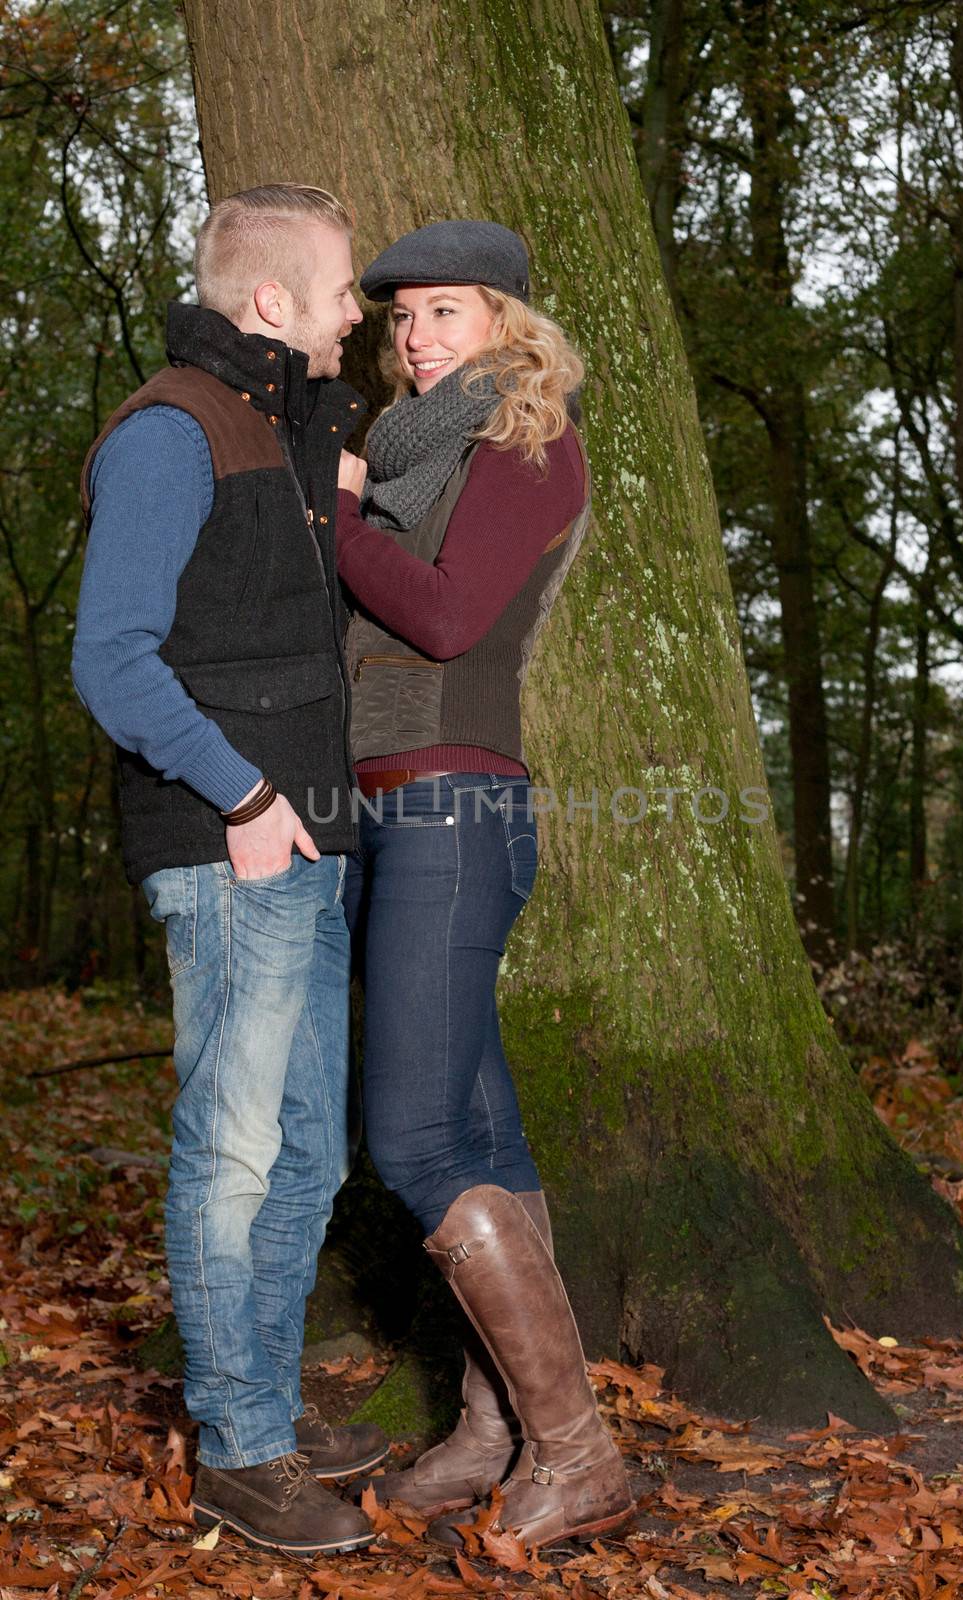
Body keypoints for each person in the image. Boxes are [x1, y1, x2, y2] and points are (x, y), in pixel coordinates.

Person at [72, 184, 386, 1558]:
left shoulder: (280, 427)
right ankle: (239, 1449)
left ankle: (267, 1404)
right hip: (231, 844)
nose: (360, 311)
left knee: (309, 1153)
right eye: (342, 289)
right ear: (272, 305)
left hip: (308, 847)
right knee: (239, 1155)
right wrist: (247, 797)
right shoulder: (170, 431)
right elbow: (112, 659)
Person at [334, 219, 634, 1548]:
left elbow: (449, 619)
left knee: (411, 1139)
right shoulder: (418, 453)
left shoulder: (526, 443)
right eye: (401, 317)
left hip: (454, 811)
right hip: (394, 811)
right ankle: (495, 1426)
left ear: (505, 323)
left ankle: (583, 1455)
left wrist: (330, 513)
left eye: (443, 312)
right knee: (485, 1142)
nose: (413, 335)